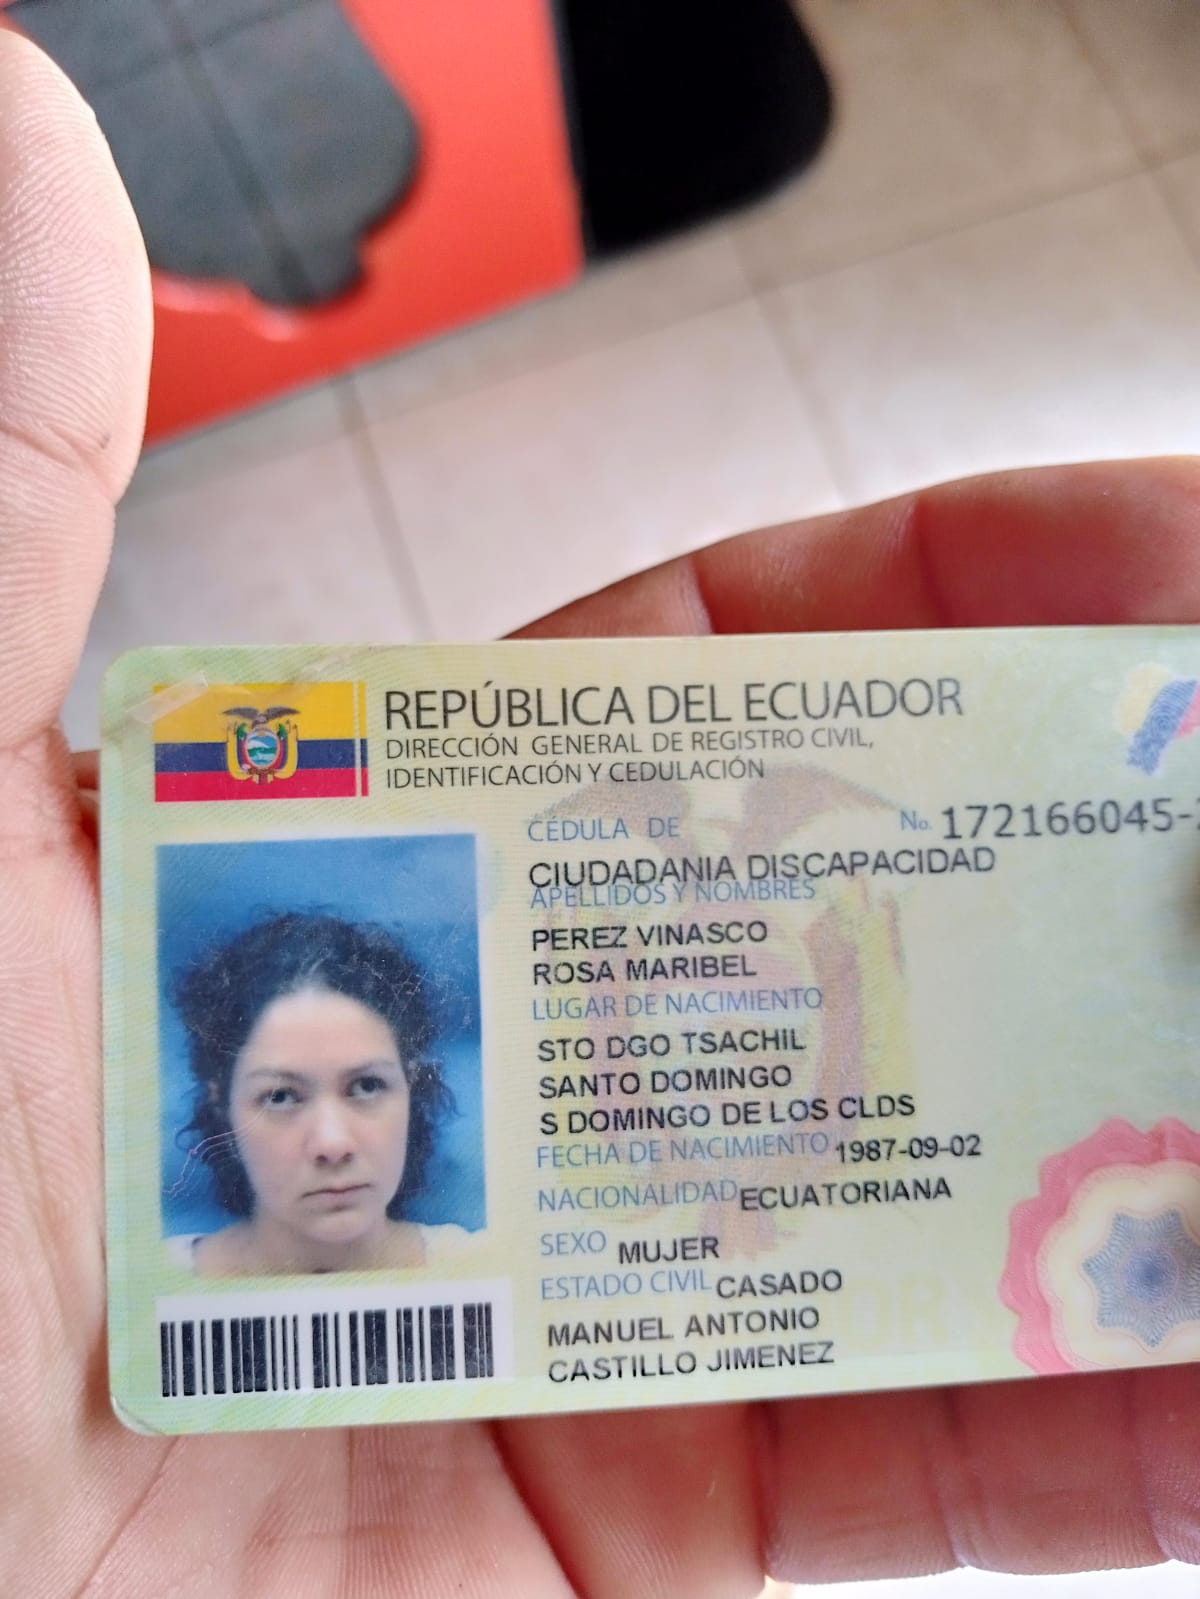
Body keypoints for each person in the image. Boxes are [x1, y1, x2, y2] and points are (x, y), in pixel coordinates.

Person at [3, 24, 1199, 1597]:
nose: (336, 1135)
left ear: (424, 1089)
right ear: (212, 1108)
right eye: (282, 1092)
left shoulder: (469, 1269)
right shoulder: (156, 1299)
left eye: (362, 1081)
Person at [169, 911, 463, 1276]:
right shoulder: (156, 1282)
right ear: (222, 1107)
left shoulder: (484, 1269)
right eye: (280, 1096)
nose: (333, 1144)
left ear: (411, 1088)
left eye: (367, 1086)